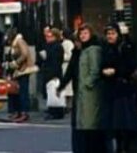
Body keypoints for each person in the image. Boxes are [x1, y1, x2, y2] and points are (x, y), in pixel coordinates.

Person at [59, 23, 108, 153]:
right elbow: (72, 71)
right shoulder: (81, 51)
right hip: (82, 92)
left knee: (89, 123)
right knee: (82, 123)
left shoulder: (93, 49)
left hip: (89, 92)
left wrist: (87, 83)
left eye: (85, 33)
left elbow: (94, 70)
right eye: (81, 34)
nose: (82, 36)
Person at [102, 24, 137, 153]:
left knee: (126, 126)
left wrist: (115, 71)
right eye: (108, 33)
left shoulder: (124, 47)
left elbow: (130, 65)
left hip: (124, 91)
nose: (110, 36)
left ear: (118, 34)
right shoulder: (107, 49)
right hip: (112, 91)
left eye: (112, 33)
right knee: (116, 127)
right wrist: (104, 71)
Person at [3, 28, 36, 123]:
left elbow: (25, 53)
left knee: (23, 91)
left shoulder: (19, 41)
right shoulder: (15, 43)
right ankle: (18, 112)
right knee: (17, 91)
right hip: (18, 70)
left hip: (23, 70)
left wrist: (16, 63)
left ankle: (24, 112)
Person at [40, 27, 64, 120]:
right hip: (49, 71)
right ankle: (53, 110)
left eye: (50, 37)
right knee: (51, 93)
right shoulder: (49, 46)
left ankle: (55, 112)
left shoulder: (57, 47)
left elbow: (56, 61)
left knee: (54, 92)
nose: (47, 38)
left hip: (54, 72)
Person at [61, 29, 75, 112]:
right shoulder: (68, 43)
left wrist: (61, 57)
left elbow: (69, 55)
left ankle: (68, 106)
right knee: (68, 88)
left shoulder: (67, 43)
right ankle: (68, 105)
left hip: (66, 66)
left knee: (68, 88)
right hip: (65, 66)